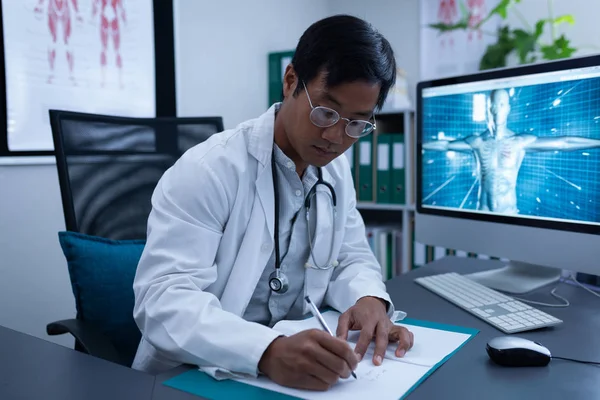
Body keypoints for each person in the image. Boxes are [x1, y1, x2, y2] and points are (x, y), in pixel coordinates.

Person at [131, 14, 414, 391]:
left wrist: (369, 298)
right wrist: (266, 351)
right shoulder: (210, 170)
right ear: (291, 80)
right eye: (326, 112)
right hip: (191, 373)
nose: (335, 136)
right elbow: (161, 301)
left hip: (292, 371)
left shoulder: (335, 171)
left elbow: (350, 255)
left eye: (356, 124)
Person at [423, 88, 600, 214]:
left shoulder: (519, 142)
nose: (496, 109)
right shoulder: (477, 142)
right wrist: (417, 144)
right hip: (482, 212)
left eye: (501, 104)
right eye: (493, 104)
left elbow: (564, 143)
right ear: (487, 108)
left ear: (508, 108)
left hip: (509, 213)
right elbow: (444, 145)